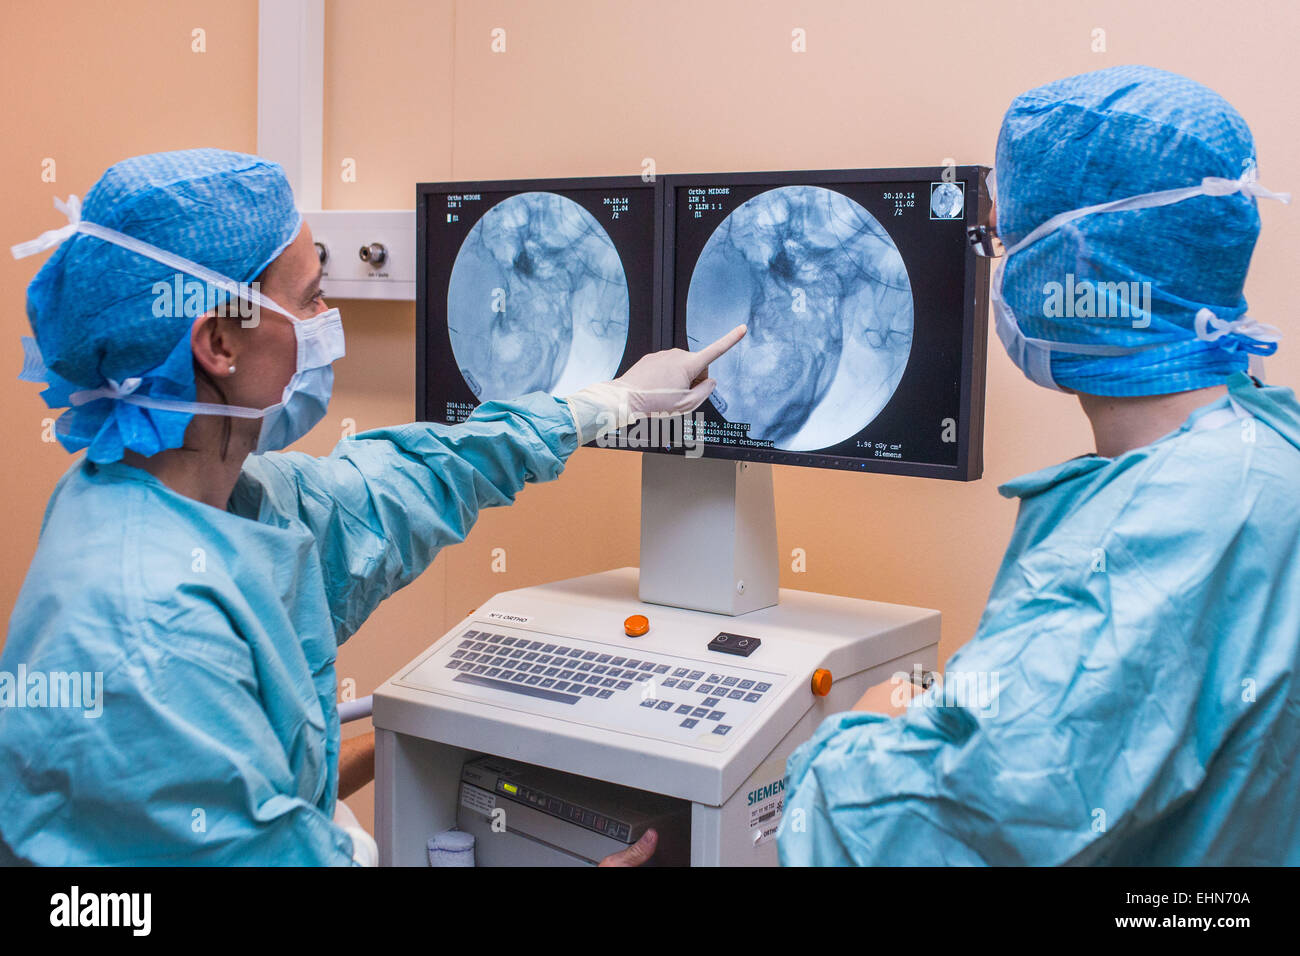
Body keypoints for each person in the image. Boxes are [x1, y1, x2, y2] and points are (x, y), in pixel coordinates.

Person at [0, 148, 744, 865]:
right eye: (309, 298)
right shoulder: (149, 634)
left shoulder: (220, 503)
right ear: (219, 342)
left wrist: (605, 402)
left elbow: (404, 484)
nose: (328, 319)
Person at [778, 65, 1300, 866]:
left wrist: (877, 719)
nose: (1000, 270)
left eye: (1003, 242)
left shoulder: (1148, 545)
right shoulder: (1267, 445)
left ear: (1067, 269)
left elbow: (870, 839)